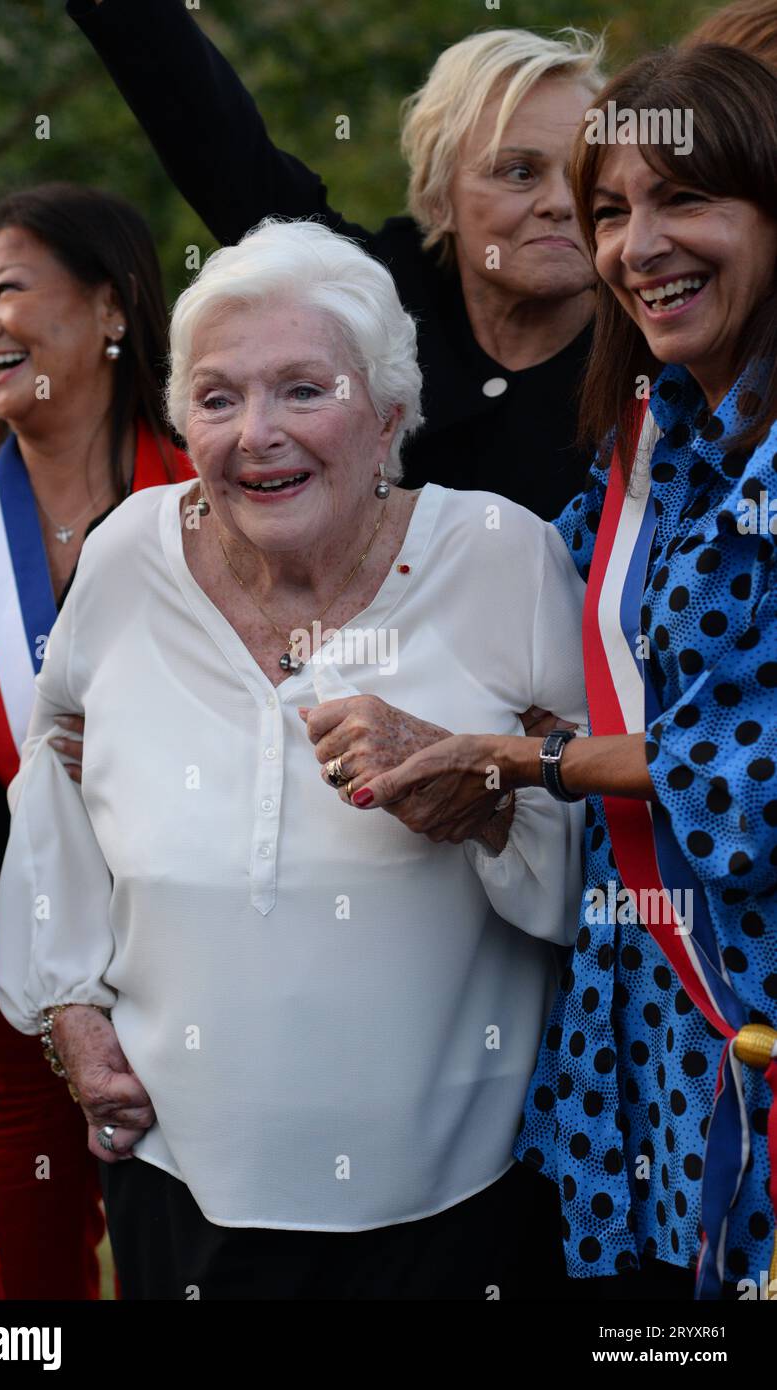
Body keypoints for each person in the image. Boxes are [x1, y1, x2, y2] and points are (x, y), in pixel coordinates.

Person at [0, 217, 588, 1301]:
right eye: (218, 399)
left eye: (304, 390)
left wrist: (478, 784)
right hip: (179, 1184)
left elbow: (597, 845)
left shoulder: (504, 556)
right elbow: (55, 783)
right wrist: (73, 1013)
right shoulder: (128, 552)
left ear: (390, 416)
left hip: (450, 1204)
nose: (256, 433)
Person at [351, 45, 777, 1300]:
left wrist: (531, 758)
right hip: (633, 1043)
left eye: (685, 200)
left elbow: (749, 783)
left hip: (749, 1031)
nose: (637, 243)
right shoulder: (652, 440)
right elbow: (551, 653)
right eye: (614, 211)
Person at [0, 182, 194, 1299]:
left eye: (12, 288)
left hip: (191, 972)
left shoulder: (219, 499)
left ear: (110, 309)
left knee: (195, 1258)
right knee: (18, 1291)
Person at [68, 3, 604, 519]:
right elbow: (222, 153)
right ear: (440, 197)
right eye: (518, 172)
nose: (560, 201)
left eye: (582, 171)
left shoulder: (655, 347)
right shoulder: (369, 295)